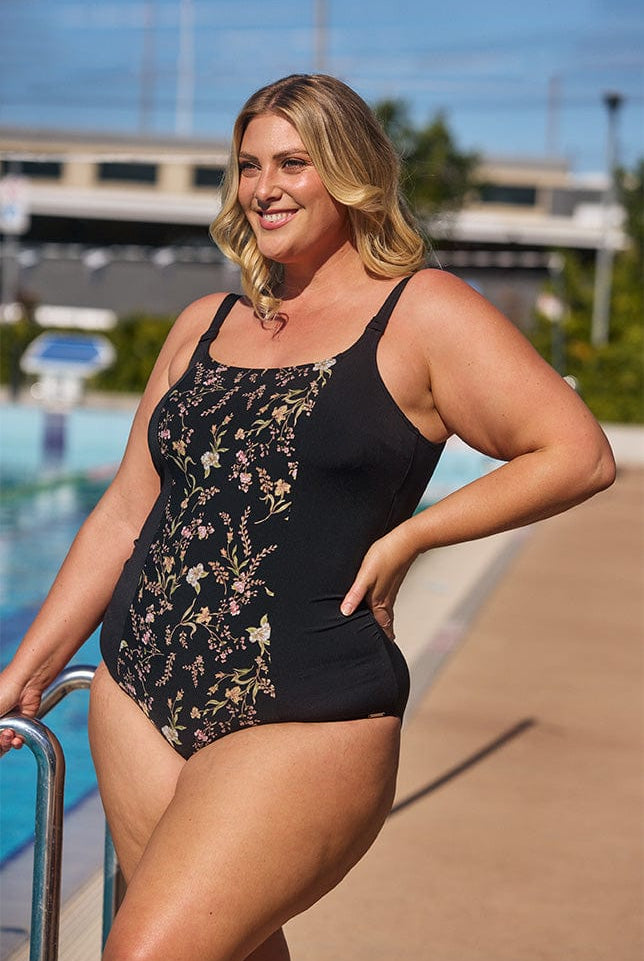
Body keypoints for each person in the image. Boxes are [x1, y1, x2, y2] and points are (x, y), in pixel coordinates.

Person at [0, 74, 615, 961]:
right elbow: (125, 512)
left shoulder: (421, 311)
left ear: (351, 173)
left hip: (305, 710)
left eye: (293, 163)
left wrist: (413, 534)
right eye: (249, 165)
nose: (264, 187)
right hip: (137, 694)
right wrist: (27, 667)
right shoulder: (204, 323)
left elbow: (575, 451)